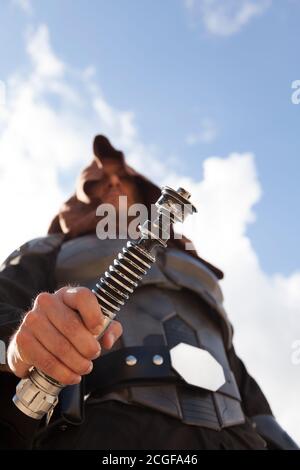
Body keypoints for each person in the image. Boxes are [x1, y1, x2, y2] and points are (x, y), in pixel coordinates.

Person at [0, 135, 298, 450]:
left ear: (142, 191)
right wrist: (20, 342)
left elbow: (234, 368)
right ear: (80, 200)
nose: (113, 183)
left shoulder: (195, 267)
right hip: (106, 428)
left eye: (122, 177)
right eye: (97, 182)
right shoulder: (49, 249)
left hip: (235, 436)